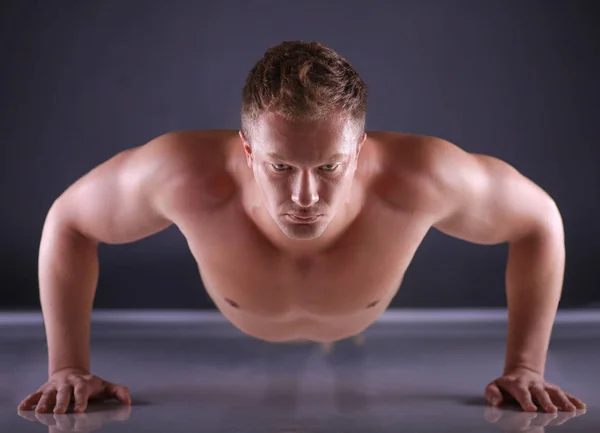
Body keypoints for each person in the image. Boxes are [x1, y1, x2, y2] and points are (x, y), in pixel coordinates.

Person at [18, 40, 586, 415]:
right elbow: (69, 221)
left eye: (330, 167)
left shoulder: (423, 178)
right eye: (282, 166)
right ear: (247, 150)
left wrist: (525, 367)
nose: (305, 197)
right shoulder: (181, 175)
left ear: (360, 151)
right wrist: (68, 366)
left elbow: (539, 221)